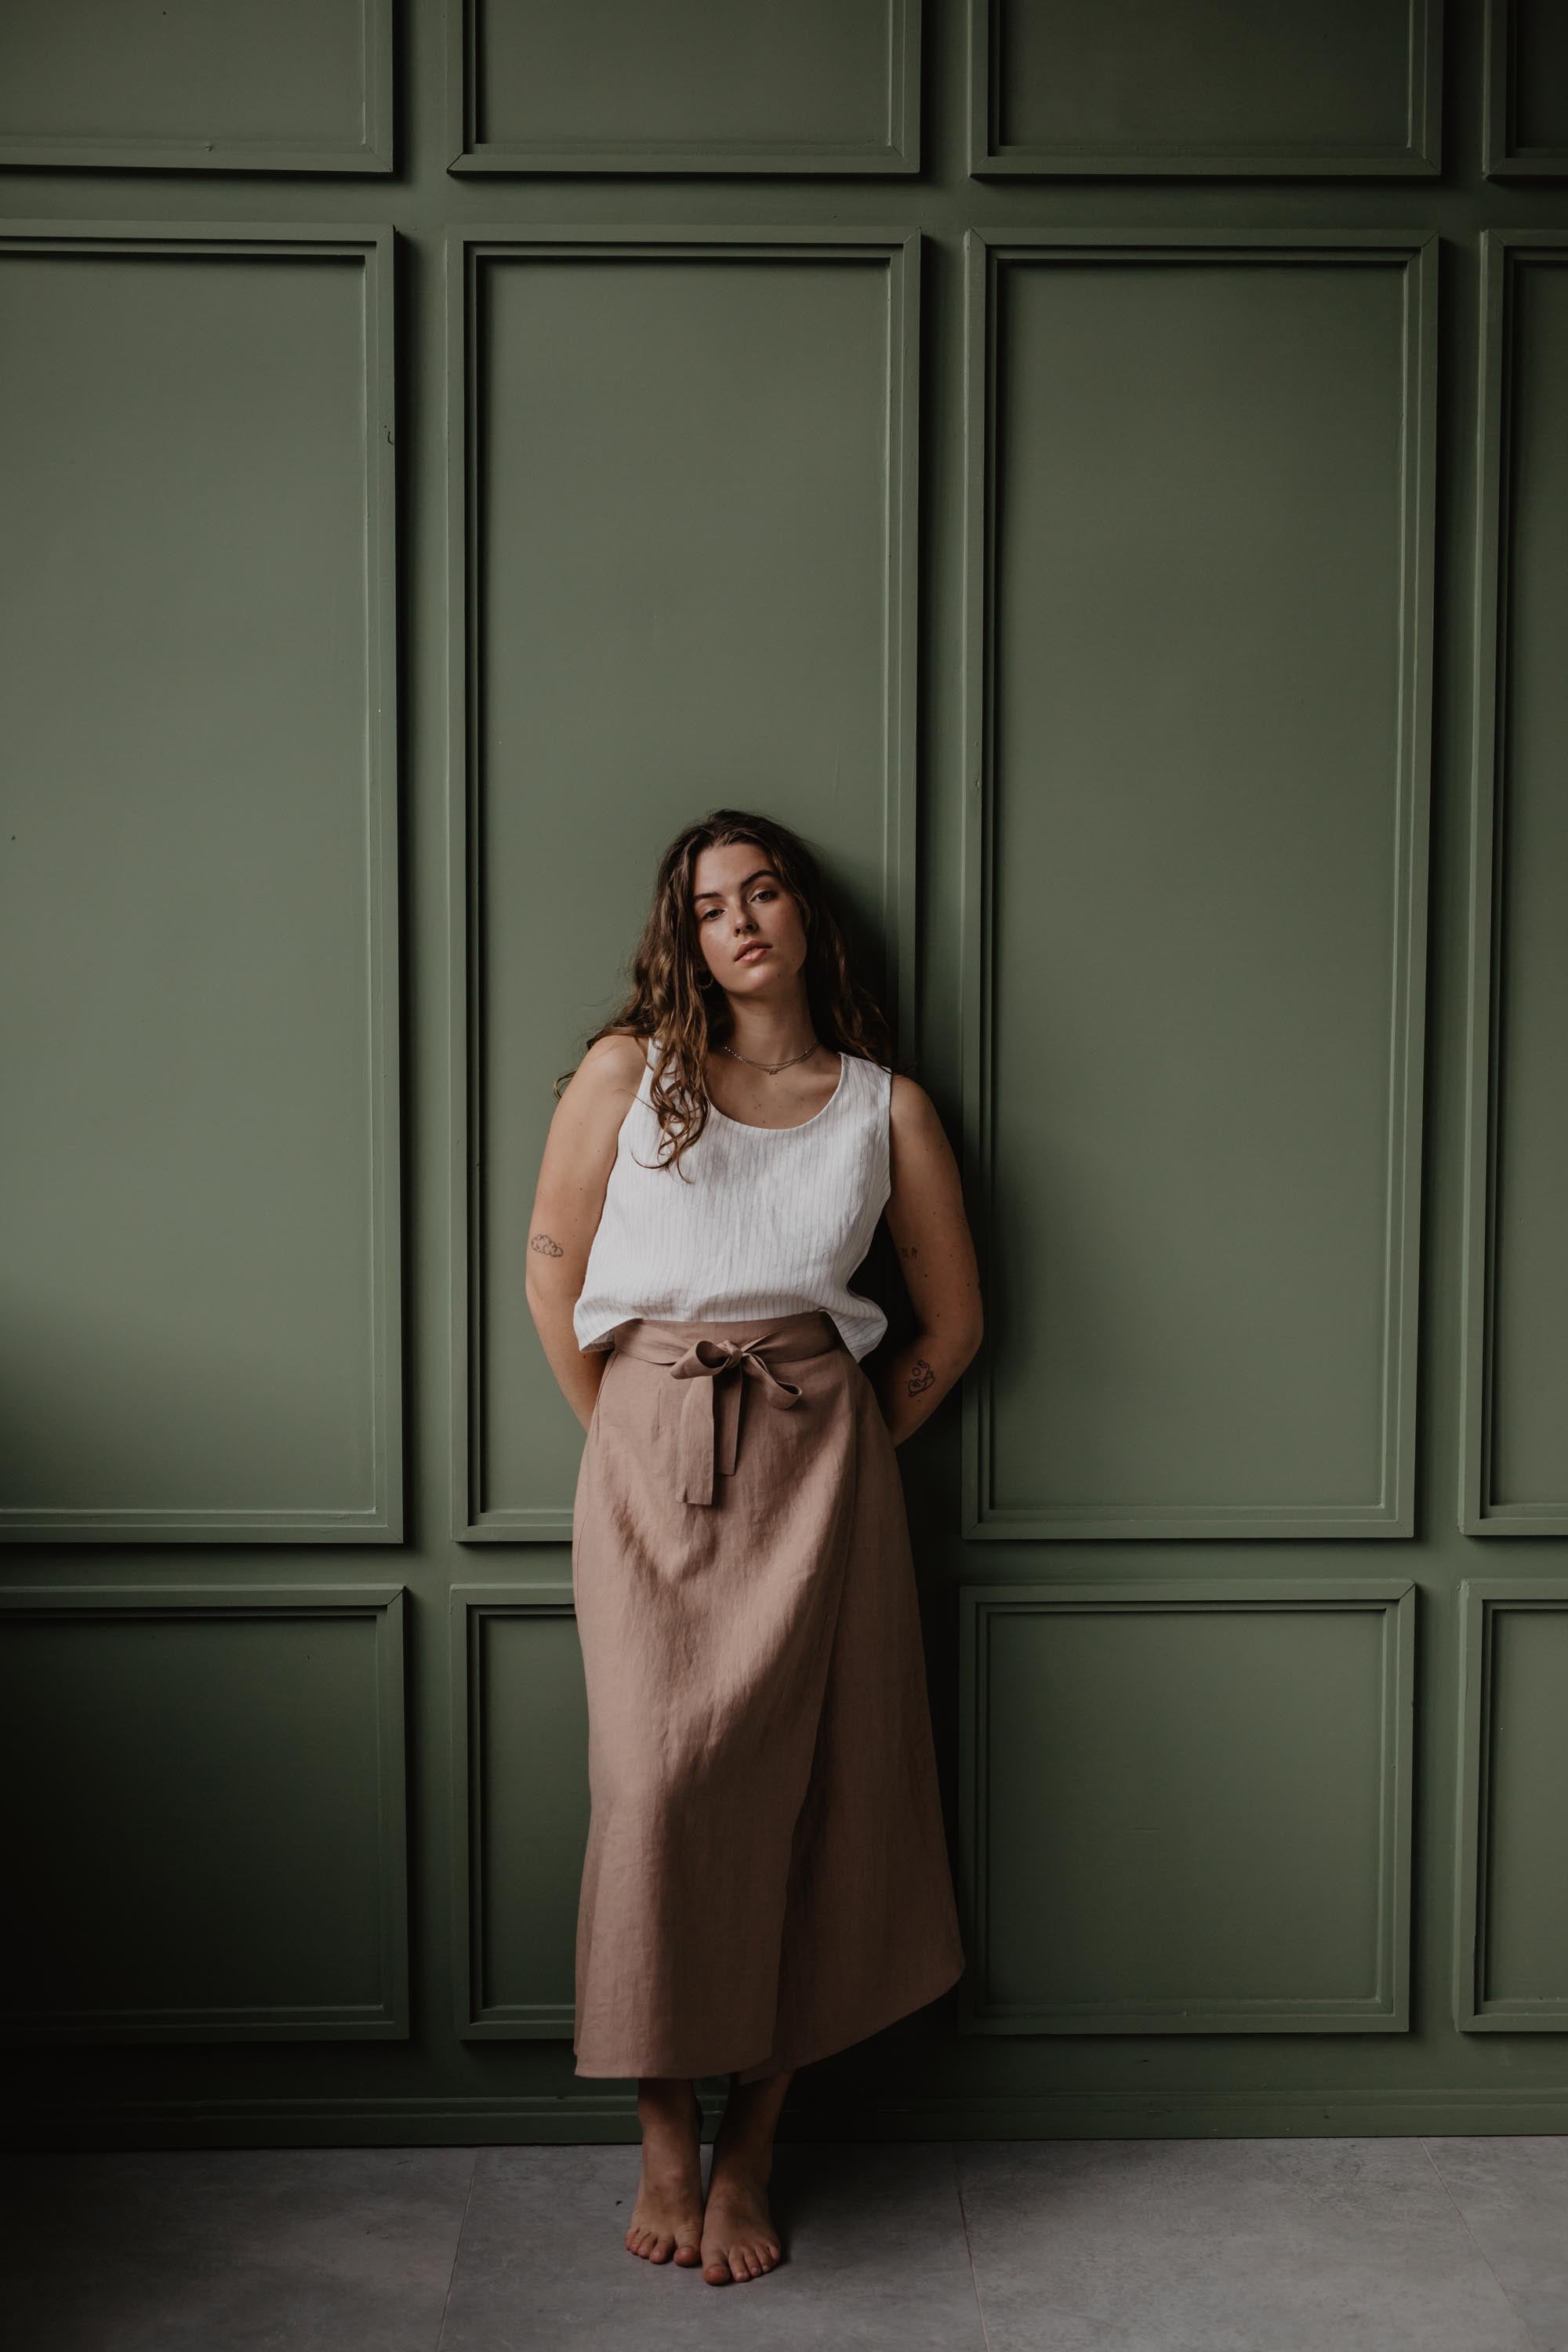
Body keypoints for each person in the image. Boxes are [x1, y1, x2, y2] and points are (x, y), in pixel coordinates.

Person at [524, 808, 983, 2286]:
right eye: (710, 903)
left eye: (763, 890)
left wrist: (847, 1456)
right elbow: (552, 1266)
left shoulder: (882, 1108)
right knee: (654, 1789)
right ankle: (665, 2135)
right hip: (651, 1452)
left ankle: (754, 2150)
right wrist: (628, 1436)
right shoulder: (627, 1073)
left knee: (816, 1806)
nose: (738, 920)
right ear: (688, 935)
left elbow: (951, 1326)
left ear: (801, 916)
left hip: (820, 1469)